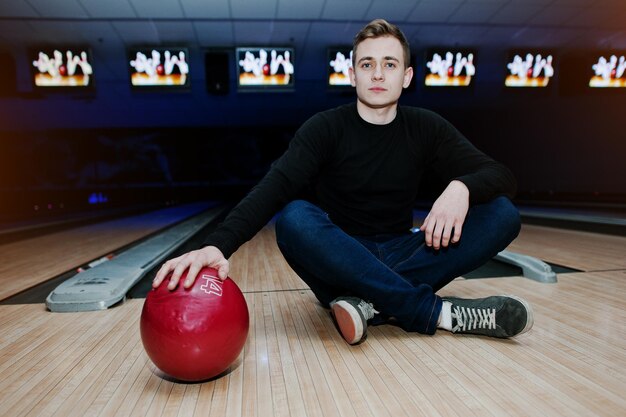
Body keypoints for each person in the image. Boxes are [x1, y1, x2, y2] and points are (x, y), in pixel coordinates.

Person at [153, 19, 533, 345]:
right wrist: (218, 245)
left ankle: (369, 303)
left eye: (390, 64)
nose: (379, 74)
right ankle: (434, 313)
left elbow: (503, 177)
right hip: (339, 261)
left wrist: (461, 187)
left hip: (403, 250)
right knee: (295, 217)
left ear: (407, 75)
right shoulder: (325, 128)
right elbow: (275, 186)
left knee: (502, 213)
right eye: (367, 64)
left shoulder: (426, 128)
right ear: (352, 75)